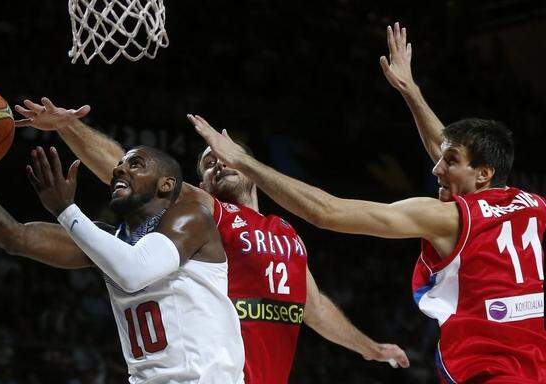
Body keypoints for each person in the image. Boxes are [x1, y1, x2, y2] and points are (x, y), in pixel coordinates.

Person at [190, 23, 546, 384]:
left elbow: (326, 212)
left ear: (483, 174)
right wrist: (412, 93)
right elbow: (458, 155)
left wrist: (243, 159)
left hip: (492, 374)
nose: (436, 167)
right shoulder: (533, 206)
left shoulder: (447, 216)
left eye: (448, 161)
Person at [14, 98, 410, 383]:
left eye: (223, 156)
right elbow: (125, 170)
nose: (217, 162)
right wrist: (68, 126)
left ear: (250, 169)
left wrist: (369, 348)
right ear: (200, 183)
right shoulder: (207, 214)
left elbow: (316, 308)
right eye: (207, 163)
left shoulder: (288, 235)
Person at [0, 104, 245, 384]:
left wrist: (67, 210)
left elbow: (135, 271)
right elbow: (14, 236)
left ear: (166, 184)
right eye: (120, 166)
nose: (120, 169)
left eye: (135, 164)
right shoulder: (109, 243)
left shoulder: (191, 218)